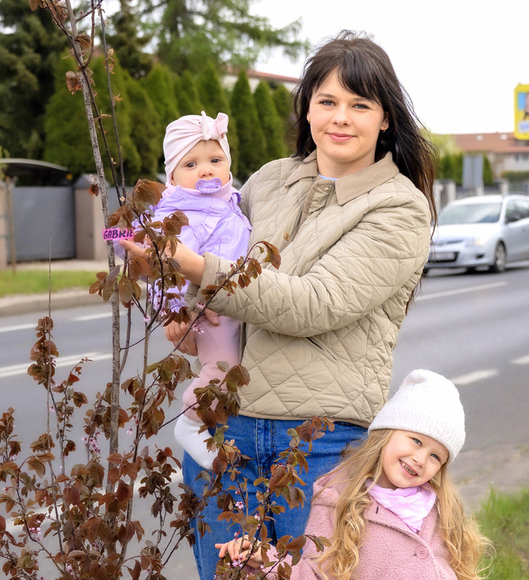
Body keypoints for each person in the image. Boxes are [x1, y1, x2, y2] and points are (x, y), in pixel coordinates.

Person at [121, 30, 437, 579]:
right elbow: (210, 246)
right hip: (226, 429)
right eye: (327, 101)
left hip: (320, 443)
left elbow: (316, 303)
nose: (340, 118)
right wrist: (169, 286)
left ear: (385, 118)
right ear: (307, 108)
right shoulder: (268, 180)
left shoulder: (399, 208)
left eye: (360, 105)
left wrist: (196, 269)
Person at [216, 370, 490, 580]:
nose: (420, 459)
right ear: (387, 432)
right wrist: (265, 558)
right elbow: (316, 573)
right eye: (416, 441)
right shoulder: (338, 500)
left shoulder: (439, 508)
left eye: (436, 457)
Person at [151, 111, 252, 469]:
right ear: (172, 176)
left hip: (235, 302)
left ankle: (212, 420)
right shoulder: (180, 214)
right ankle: (191, 424)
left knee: (232, 370)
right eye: (191, 164)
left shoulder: (231, 201)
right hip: (207, 311)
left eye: (215, 160)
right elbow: (162, 265)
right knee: (224, 368)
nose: (206, 171)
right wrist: (174, 311)